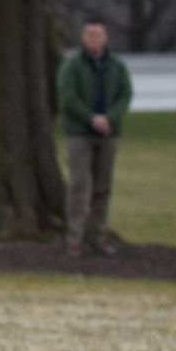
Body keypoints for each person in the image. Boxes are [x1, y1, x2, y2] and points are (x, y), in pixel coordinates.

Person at [57, 20, 133, 257]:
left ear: (106, 38)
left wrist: (110, 118)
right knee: (79, 186)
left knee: (102, 187)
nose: (94, 39)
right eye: (90, 35)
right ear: (83, 38)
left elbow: (125, 94)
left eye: (98, 35)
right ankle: (74, 238)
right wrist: (91, 118)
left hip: (108, 134)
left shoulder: (117, 66)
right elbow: (68, 97)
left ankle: (98, 235)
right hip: (80, 134)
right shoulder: (72, 66)